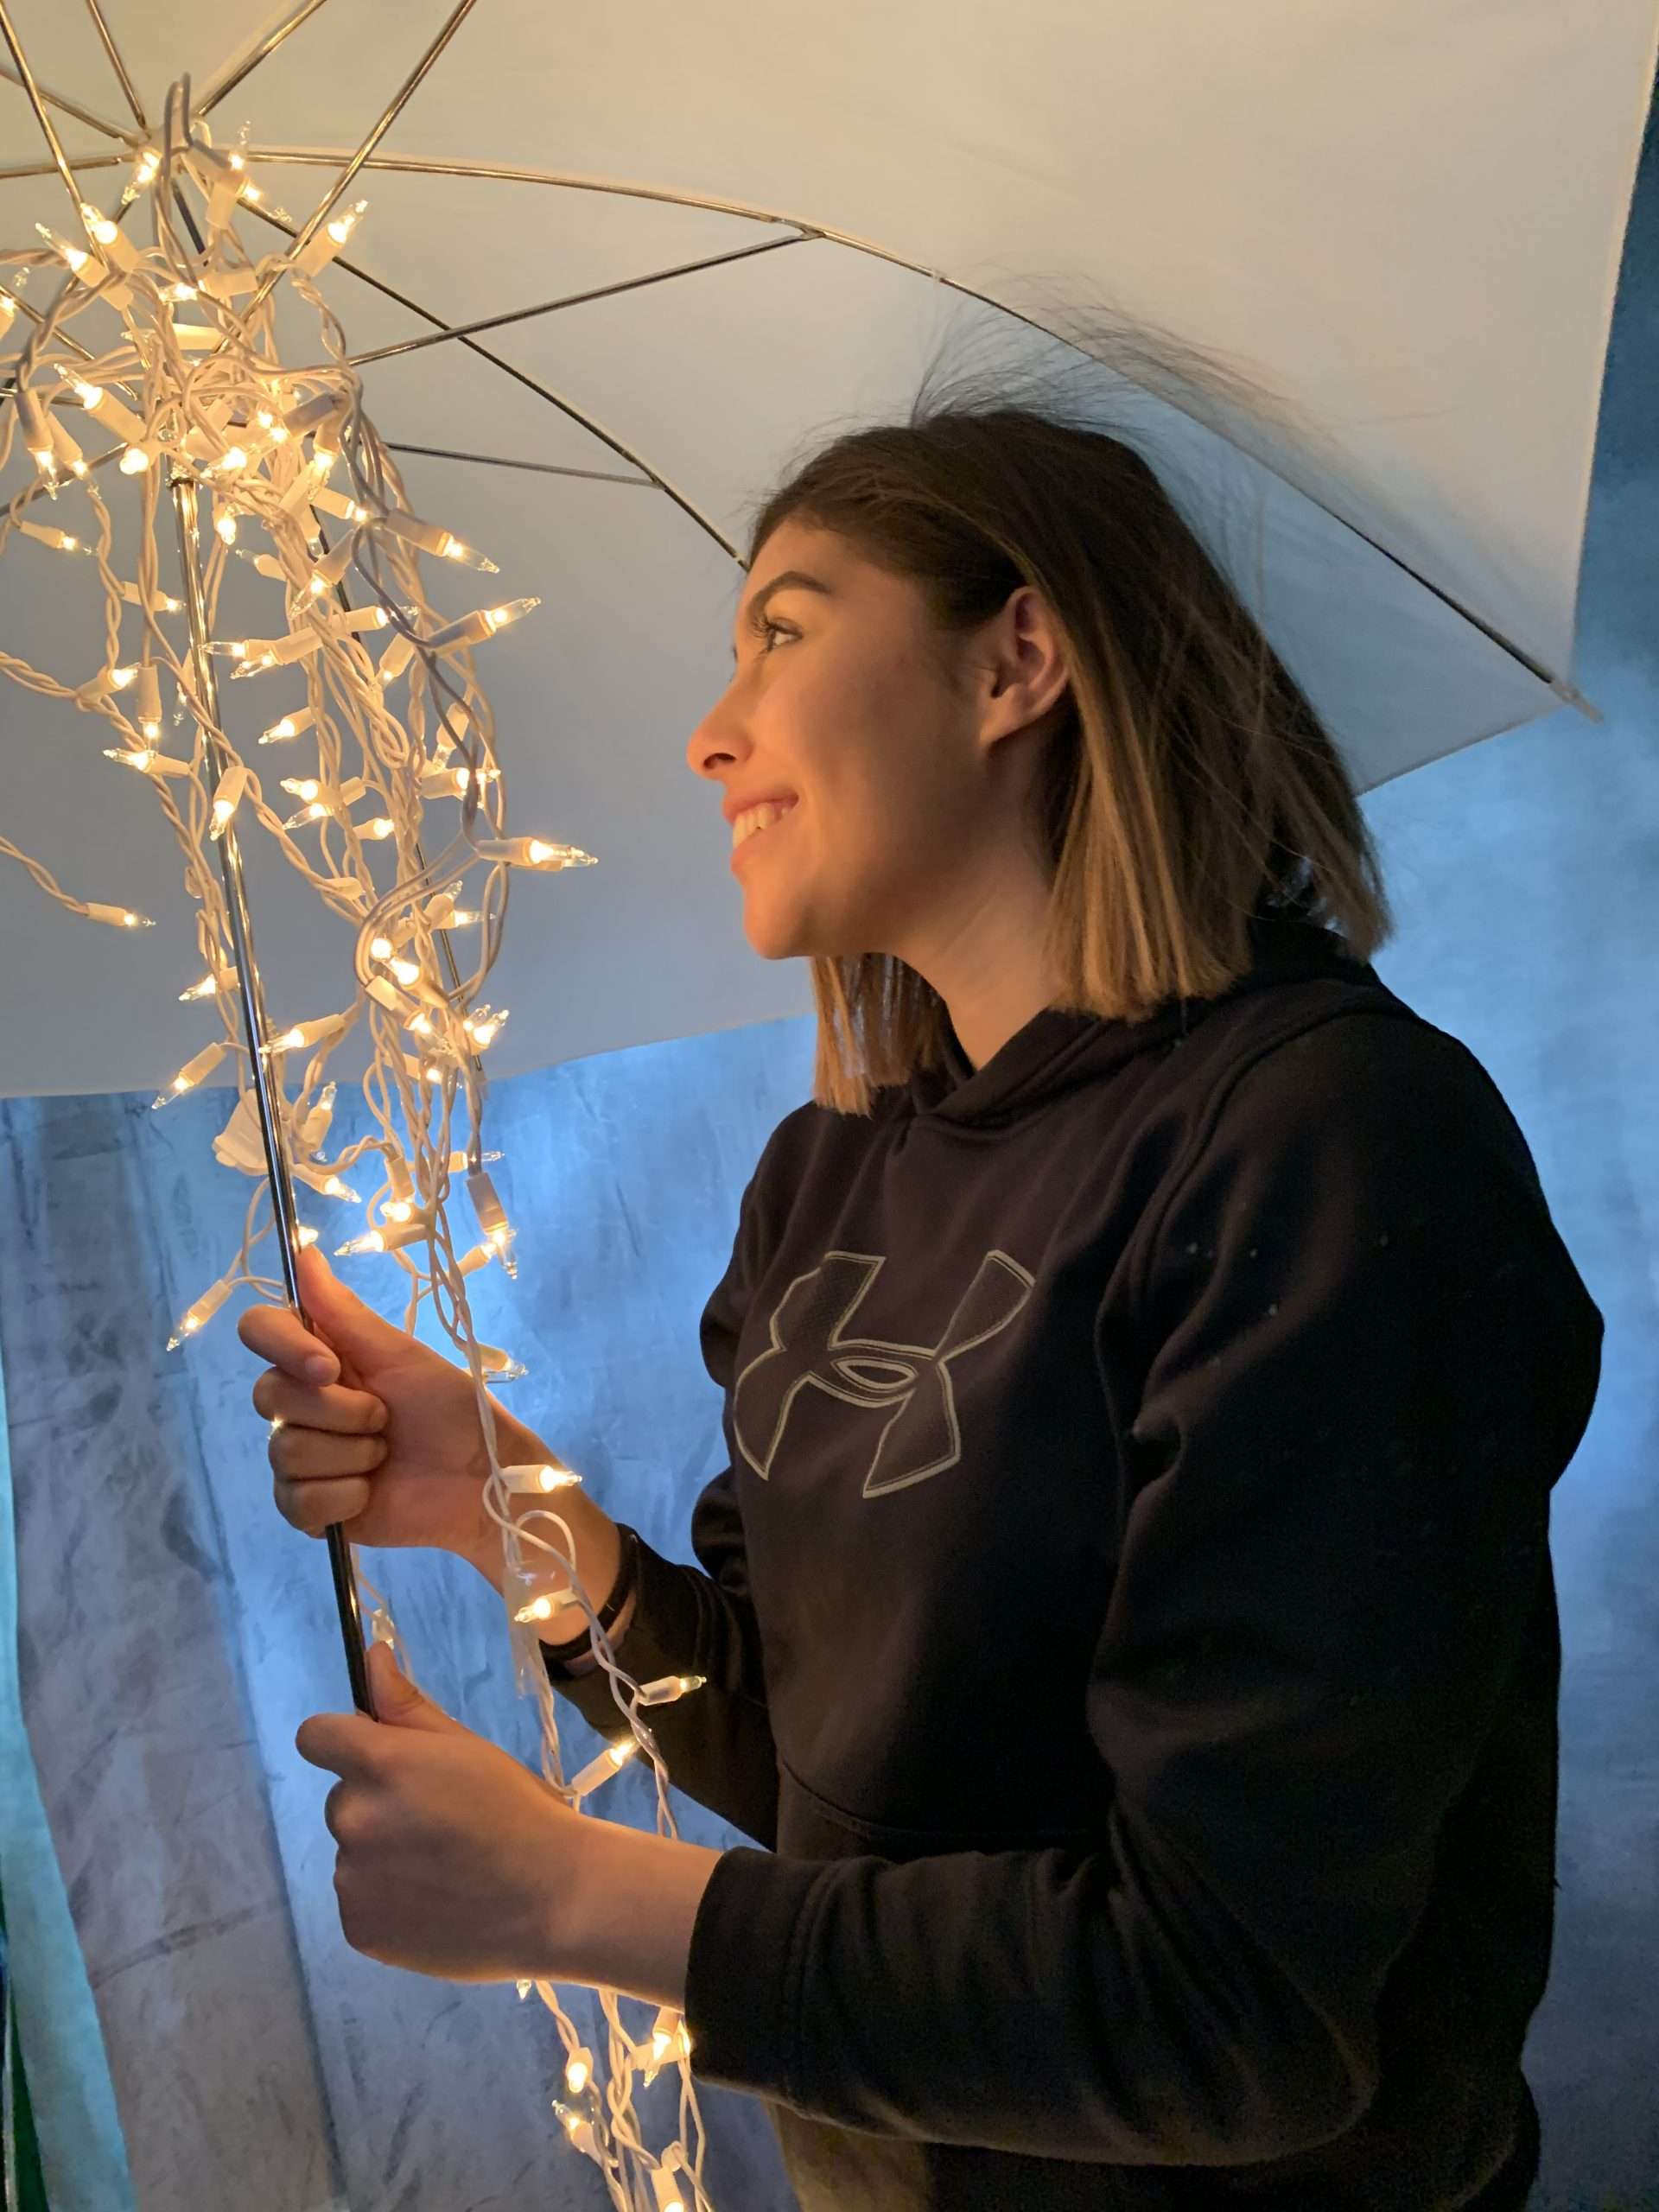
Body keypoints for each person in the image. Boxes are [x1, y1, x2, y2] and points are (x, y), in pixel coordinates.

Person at [240, 360, 1603, 2211]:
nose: (711, 735)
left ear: (1014, 661)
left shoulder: (1324, 1141)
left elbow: (1237, 2007)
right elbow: (824, 1771)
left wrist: (579, 1896)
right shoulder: (829, 1180)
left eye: (783, 632)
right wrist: (503, 1506)